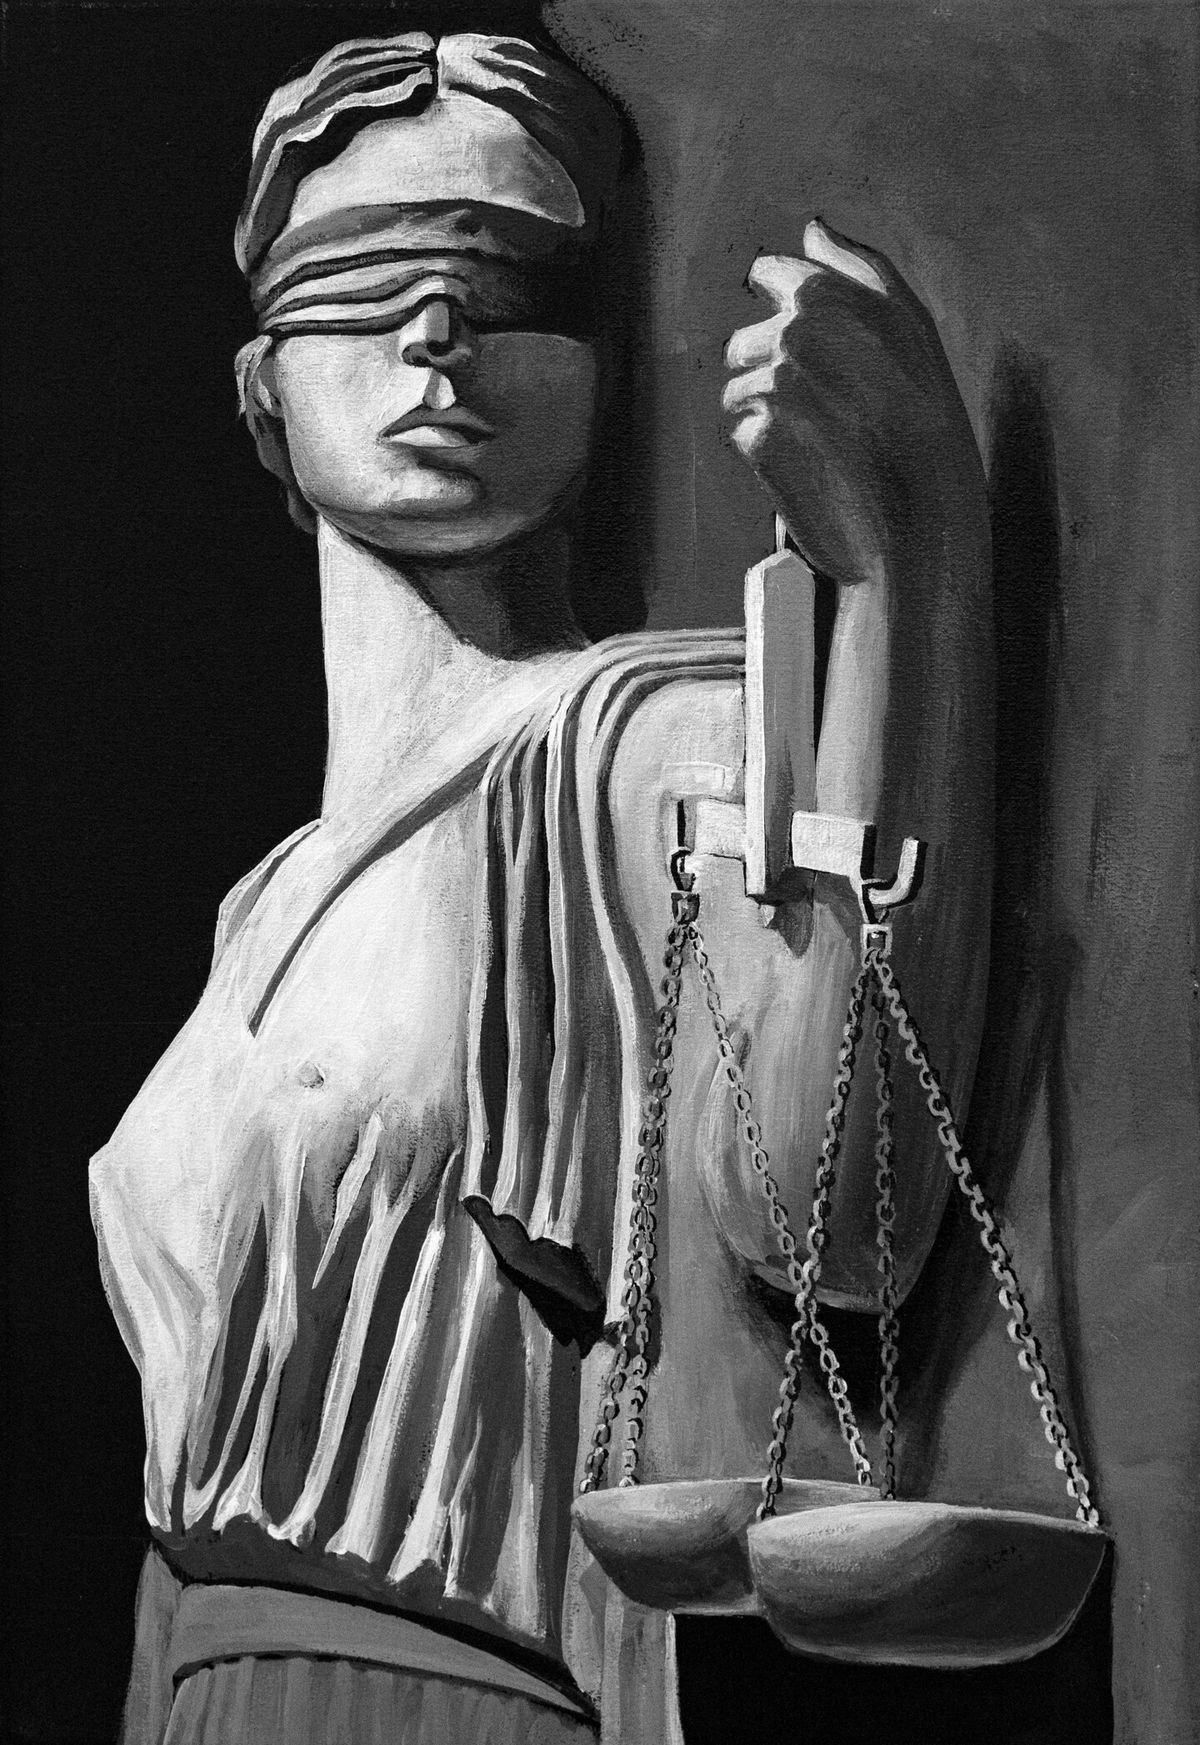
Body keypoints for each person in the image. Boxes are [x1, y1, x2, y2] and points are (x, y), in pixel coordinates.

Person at [90, 25, 993, 1745]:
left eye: (505, 282)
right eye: (366, 279)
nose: (437, 330)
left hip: (451, 1691)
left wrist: (906, 564)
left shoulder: (652, 737)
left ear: (594, 363)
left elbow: (835, 1223)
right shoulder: (260, 902)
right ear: (263, 388)